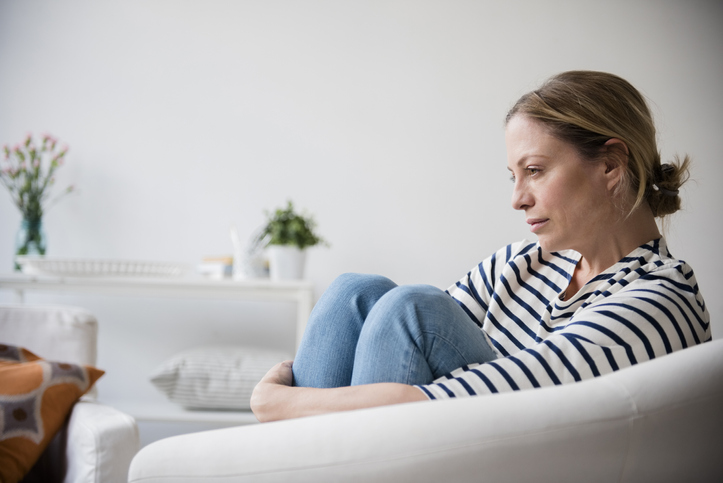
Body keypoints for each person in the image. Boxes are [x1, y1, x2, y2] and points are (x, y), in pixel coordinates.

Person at [250, 71, 711, 422]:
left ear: (610, 166)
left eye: (534, 170)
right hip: (454, 438)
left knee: (412, 308)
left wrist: (282, 402)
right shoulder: (519, 263)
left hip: (512, 455)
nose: (517, 199)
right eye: (514, 177)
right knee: (356, 291)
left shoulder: (659, 299)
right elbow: (399, 350)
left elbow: (491, 393)